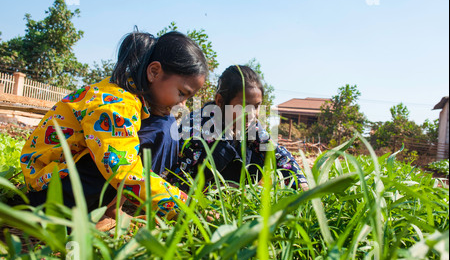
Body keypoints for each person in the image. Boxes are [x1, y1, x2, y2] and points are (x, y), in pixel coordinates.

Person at [20, 30, 208, 221]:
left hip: (65, 179)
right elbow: (122, 168)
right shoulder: (115, 105)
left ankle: (110, 210)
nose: (182, 105)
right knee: (123, 153)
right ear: (154, 72)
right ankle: (77, 218)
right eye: (182, 93)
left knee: (163, 125)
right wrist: (186, 206)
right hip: (48, 192)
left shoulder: (130, 99)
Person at [166, 65, 309, 193]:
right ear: (220, 101)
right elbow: (177, 177)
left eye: (256, 106)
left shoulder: (251, 127)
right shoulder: (195, 127)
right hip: (199, 197)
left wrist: (302, 185)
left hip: (238, 193)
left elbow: (279, 156)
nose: (252, 114)